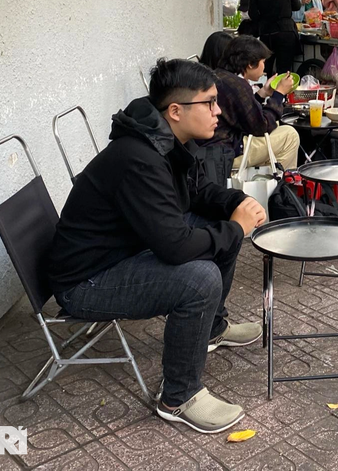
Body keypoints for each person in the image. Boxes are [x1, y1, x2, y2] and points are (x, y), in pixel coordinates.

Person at [47, 58, 266, 434]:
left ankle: (211, 327)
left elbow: (195, 193)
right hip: (85, 283)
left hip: (123, 251)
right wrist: (236, 229)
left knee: (221, 233)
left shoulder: (165, 141)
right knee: (200, 278)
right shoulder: (140, 159)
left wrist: (235, 205)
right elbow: (176, 248)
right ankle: (179, 396)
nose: (219, 112)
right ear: (176, 111)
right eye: (210, 103)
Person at [214, 35, 301, 172]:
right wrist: (279, 94)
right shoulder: (238, 85)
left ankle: (264, 181)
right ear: (250, 64)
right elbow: (261, 127)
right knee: (290, 135)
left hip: (218, 146)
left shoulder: (221, 76)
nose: (264, 67)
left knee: (278, 128)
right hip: (228, 150)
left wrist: (263, 93)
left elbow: (244, 112)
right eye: (263, 62)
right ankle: (279, 186)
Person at [248, 0, 301, 75]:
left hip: (267, 34)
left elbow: (253, 15)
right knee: (284, 71)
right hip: (287, 32)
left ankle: (267, 92)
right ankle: (283, 93)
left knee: (266, 70)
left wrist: (264, 18)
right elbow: (297, 6)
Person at [197, 31, 237, 184]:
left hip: (211, 146)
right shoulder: (226, 82)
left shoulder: (201, 79)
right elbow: (257, 125)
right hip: (221, 146)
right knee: (289, 135)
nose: (217, 110)